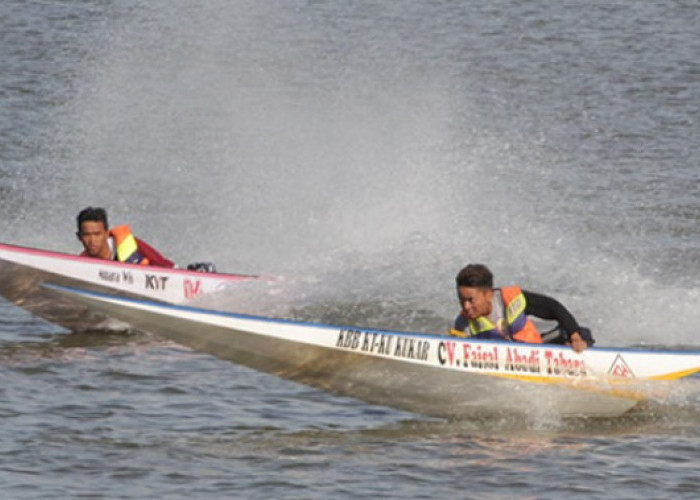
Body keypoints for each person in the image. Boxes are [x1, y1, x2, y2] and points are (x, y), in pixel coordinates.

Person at [451, 263, 594, 353]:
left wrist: (575, 337)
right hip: (502, 362)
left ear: (488, 294)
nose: (466, 306)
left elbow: (553, 307)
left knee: (579, 331)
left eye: (471, 300)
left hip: (537, 351)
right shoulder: (463, 324)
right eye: (461, 300)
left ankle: (582, 354)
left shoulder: (511, 299)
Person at [76, 207, 175, 268]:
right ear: (79, 237)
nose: (92, 241)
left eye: (97, 234)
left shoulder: (128, 243)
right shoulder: (82, 264)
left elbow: (164, 264)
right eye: (87, 235)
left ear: (106, 233)